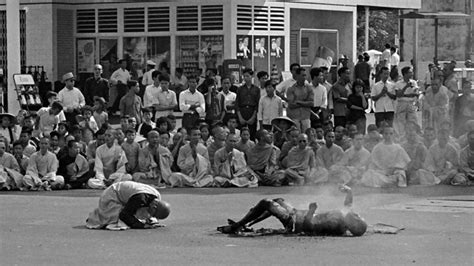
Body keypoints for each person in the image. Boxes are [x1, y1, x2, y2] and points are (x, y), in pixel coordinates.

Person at [218, 184, 367, 237]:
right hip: (296, 214)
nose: (356, 214)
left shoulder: (337, 225)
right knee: (278, 201)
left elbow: (310, 228)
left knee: (266, 203)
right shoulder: (346, 216)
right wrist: (349, 192)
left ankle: (236, 226)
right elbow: (348, 205)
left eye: (357, 218)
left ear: (352, 226)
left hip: (295, 223)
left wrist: (311, 211)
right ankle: (247, 224)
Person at [86, 181, 170, 230]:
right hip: (111, 195)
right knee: (120, 222)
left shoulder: (157, 196)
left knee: (140, 215)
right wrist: (142, 225)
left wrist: (151, 220)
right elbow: (124, 215)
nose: (151, 215)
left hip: (126, 197)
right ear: (154, 206)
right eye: (154, 214)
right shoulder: (140, 199)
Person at [394, 66, 419, 137]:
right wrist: (406, 87)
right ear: (405, 74)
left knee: (413, 121)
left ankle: (413, 136)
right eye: (410, 72)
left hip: (411, 104)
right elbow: (398, 95)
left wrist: (407, 95)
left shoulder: (414, 82)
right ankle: (402, 137)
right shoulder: (398, 83)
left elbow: (415, 93)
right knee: (401, 122)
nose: (412, 74)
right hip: (402, 103)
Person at [235, 69, 260, 139]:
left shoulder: (256, 89)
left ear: (252, 76)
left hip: (252, 112)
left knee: (252, 134)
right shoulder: (240, 89)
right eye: (244, 76)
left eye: (247, 76)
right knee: (241, 133)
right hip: (242, 111)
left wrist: (253, 117)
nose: (245, 78)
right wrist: (240, 117)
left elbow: (257, 104)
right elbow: (237, 103)